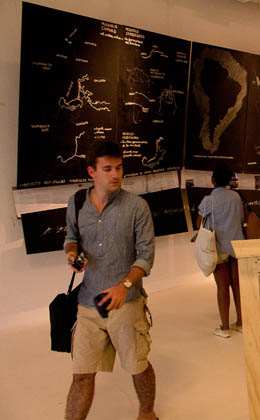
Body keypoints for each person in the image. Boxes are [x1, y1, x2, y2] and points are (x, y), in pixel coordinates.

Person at [63, 140, 157, 420]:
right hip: (88, 304)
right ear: (91, 171)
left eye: (119, 167)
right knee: (81, 374)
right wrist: (72, 254)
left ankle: (147, 414)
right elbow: (71, 238)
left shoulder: (137, 207)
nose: (115, 174)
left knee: (137, 366)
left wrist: (124, 286)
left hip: (126, 303)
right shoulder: (77, 203)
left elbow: (146, 256)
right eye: (108, 169)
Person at [197, 164, 245, 338]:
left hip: (218, 247)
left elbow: (199, 224)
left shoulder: (209, 200)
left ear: (213, 180)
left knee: (222, 287)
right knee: (238, 286)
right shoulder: (236, 197)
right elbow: (241, 219)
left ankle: (224, 328)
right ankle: (241, 323)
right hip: (237, 246)